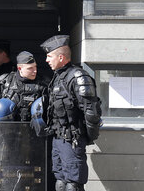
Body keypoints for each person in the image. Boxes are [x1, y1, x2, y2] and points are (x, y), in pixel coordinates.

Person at [40, 35, 102, 191]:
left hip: (72, 139)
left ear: (61, 57)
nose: (47, 60)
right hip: (58, 139)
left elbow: (91, 111)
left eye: (49, 56)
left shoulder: (78, 77)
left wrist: (87, 136)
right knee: (60, 182)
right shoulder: (57, 78)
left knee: (72, 185)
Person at [0, 51, 47, 133]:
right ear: (19, 68)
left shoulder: (43, 83)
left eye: (35, 67)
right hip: (8, 132)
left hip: (33, 133)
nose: (35, 71)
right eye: (30, 68)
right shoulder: (6, 81)